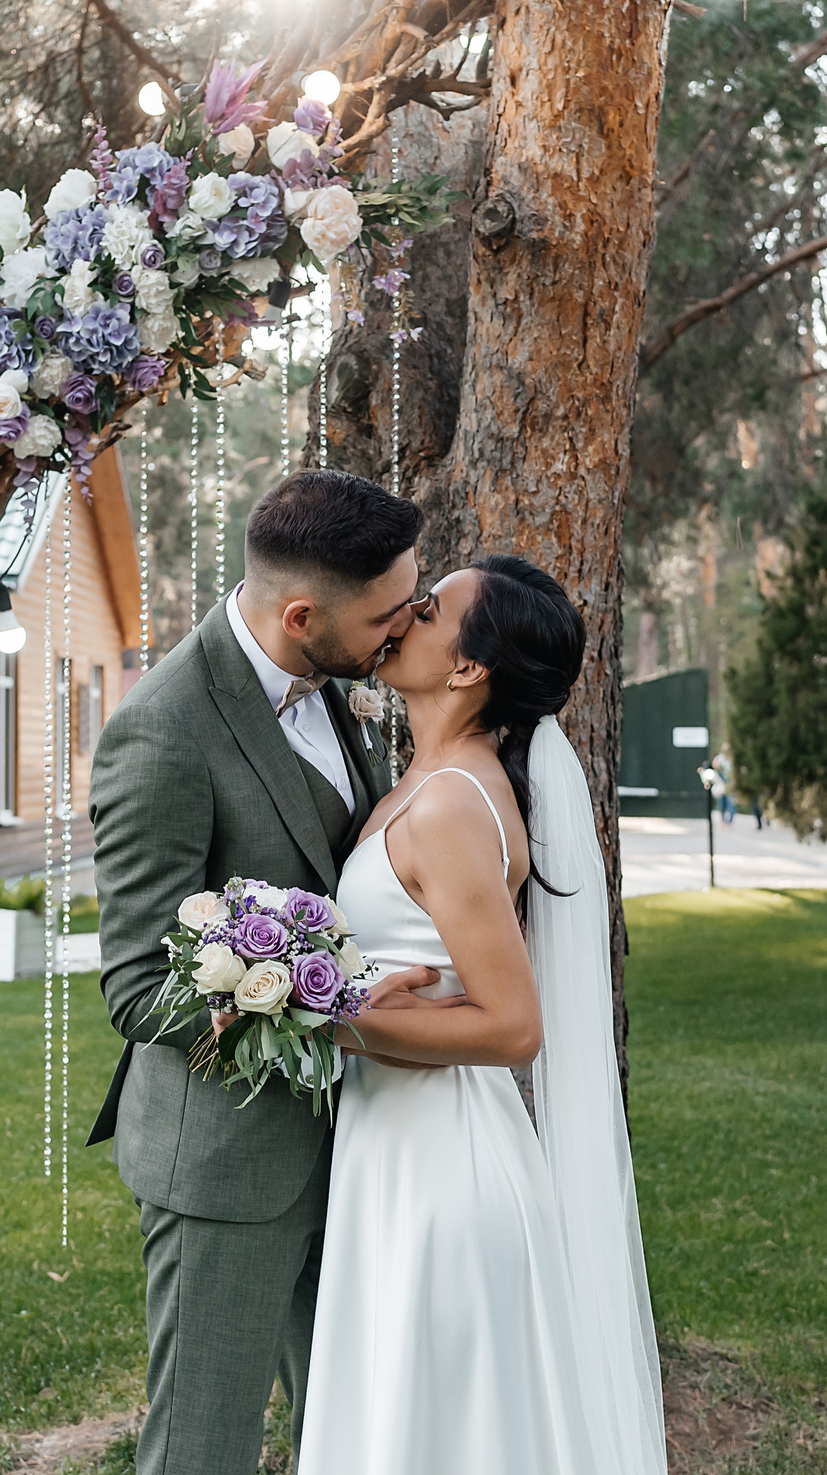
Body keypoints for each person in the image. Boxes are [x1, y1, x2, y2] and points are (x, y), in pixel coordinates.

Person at [295, 555, 669, 1475]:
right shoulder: (424, 781)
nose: (401, 618)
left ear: (468, 669)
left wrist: (334, 1020)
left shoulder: (454, 803)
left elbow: (512, 1026)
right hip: (400, 1150)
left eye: (426, 611)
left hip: (442, 1174)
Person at [87, 469, 427, 1475]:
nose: (400, 630)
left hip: (352, 1141)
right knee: (204, 1446)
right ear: (299, 613)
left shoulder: (338, 689)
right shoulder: (161, 733)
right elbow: (140, 990)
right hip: (227, 1158)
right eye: (384, 615)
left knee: (352, 1430)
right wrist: (320, 998)